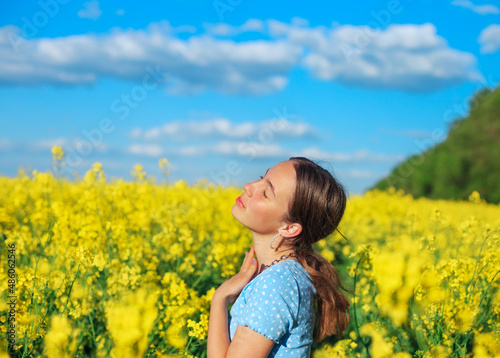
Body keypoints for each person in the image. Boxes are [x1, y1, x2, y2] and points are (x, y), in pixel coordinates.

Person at [207, 157, 350, 358]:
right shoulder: (283, 275)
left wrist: (219, 299)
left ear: (289, 228)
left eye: (265, 193)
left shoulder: (277, 284)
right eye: (260, 178)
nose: (248, 186)